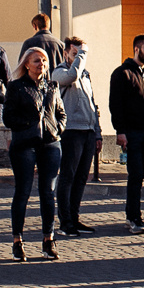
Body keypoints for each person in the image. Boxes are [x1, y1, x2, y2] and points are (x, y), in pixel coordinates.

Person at [5, 46, 66, 259]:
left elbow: (61, 113)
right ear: (26, 64)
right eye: (36, 61)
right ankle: (17, 241)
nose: (41, 64)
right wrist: (30, 125)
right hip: (25, 144)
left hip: (50, 143)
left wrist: (56, 128)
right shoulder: (16, 87)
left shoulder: (52, 86)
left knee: (48, 193)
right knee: (23, 192)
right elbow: (8, 118)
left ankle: (48, 239)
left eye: (44, 61)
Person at [107, 35, 144, 234]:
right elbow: (115, 105)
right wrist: (120, 131)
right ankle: (133, 218)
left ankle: (134, 216)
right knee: (135, 175)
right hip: (131, 133)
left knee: (141, 175)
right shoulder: (122, 73)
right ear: (137, 49)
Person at [52, 37, 103, 235]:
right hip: (71, 131)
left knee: (81, 178)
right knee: (68, 177)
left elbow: (91, 103)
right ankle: (65, 222)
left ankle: (75, 217)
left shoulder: (86, 74)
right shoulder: (59, 72)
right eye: (74, 54)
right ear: (66, 53)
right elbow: (72, 76)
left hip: (88, 131)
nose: (80, 58)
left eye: (80, 54)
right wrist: (82, 53)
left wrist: (97, 133)